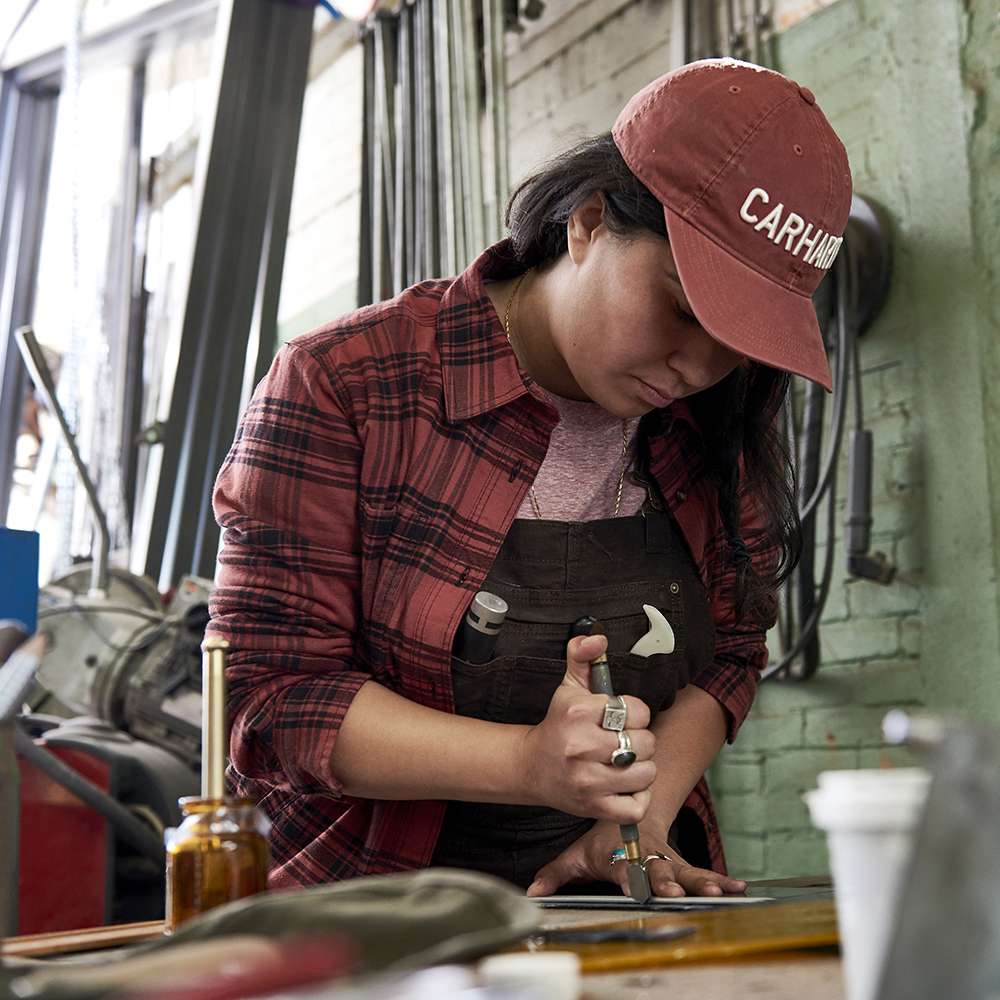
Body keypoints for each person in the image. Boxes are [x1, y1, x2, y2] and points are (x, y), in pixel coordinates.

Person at [207, 57, 851, 897]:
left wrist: (635, 822)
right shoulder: (350, 383)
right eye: (686, 311)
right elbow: (271, 699)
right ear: (586, 224)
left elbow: (728, 654)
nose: (699, 365)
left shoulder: (714, 423)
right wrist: (527, 764)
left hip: (613, 907)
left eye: (739, 342)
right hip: (366, 918)